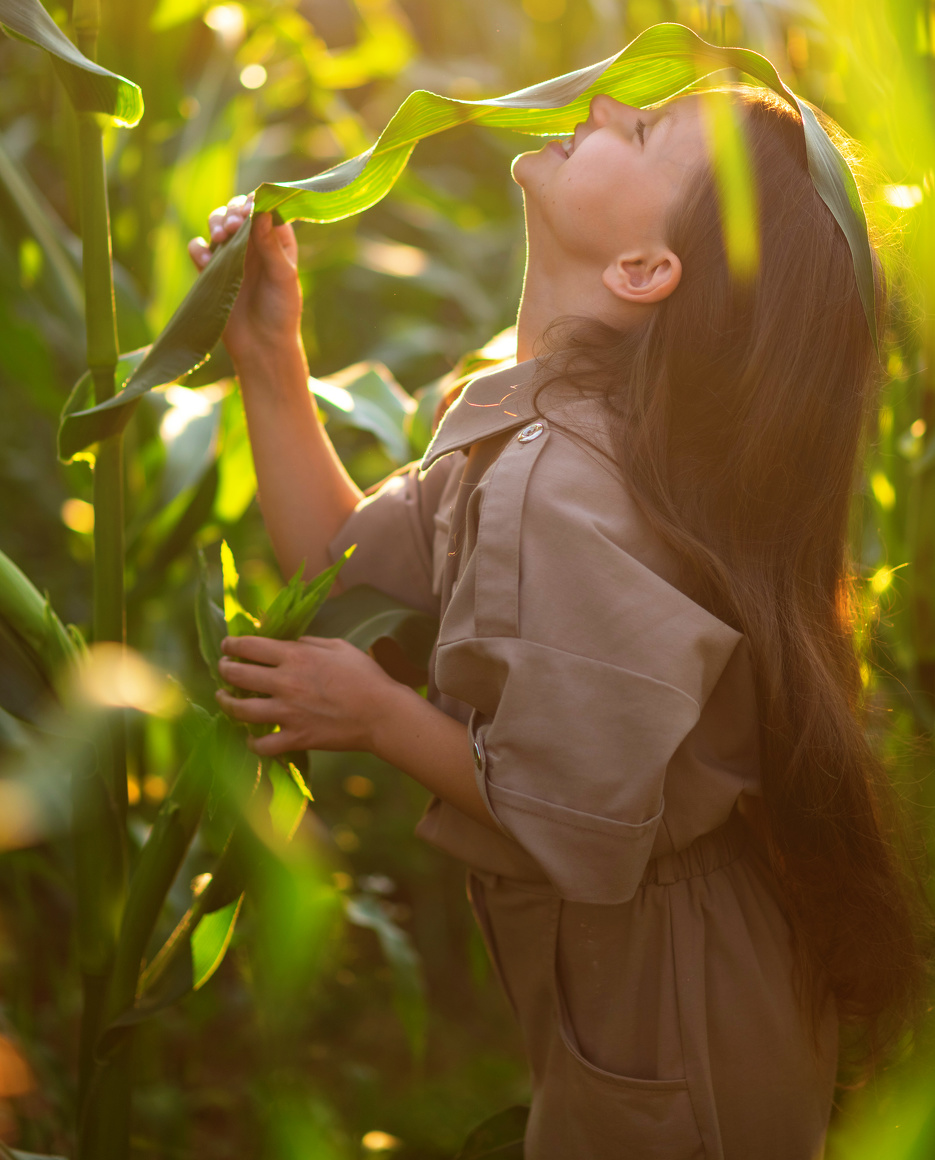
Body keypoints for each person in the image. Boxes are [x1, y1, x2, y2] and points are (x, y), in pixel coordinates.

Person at [188, 86, 927, 1159]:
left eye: (643, 130)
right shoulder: (542, 424)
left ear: (643, 269)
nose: (604, 97)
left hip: (683, 1016)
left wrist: (378, 716)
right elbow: (343, 566)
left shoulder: (568, 490)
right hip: (653, 986)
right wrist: (269, 352)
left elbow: (577, 817)